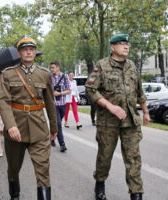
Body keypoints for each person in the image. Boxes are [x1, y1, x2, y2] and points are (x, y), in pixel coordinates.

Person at [85, 34, 150, 200]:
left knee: (133, 159)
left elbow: (139, 90)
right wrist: (110, 106)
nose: (126, 47)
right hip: (108, 123)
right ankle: (100, 183)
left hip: (131, 122)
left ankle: (136, 193)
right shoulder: (101, 65)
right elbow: (91, 90)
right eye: (121, 44)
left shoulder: (132, 66)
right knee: (105, 157)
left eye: (127, 44)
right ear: (112, 47)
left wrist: (145, 111)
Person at [0, 36, 57, 200]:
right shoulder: (8, 74)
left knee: (43, 170)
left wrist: (54, 128)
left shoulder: (44, 74)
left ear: (35, 52)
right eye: (25, 49)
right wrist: (10, 125)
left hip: (39, 129)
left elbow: (50, 103)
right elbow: (3, 101)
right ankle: (15, 196)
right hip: (16, 129)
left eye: (31, 49)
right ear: (19, 53)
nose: (29, 51)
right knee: (13, 168)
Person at [50, 61, 71, 152]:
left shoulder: (65, 77)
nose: (51, 69)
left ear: (58, 67)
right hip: (53, 104)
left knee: (56, 124)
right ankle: (62, 144)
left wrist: (60, 93)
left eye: (53, 67)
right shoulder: (49, 77)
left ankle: (52, 137)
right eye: (51, 68)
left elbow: (69, 90)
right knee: (58, 123)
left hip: (63, 104)